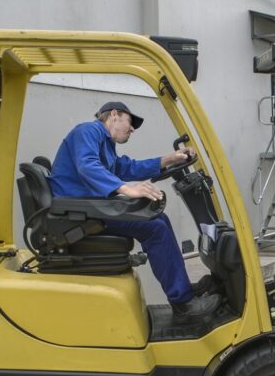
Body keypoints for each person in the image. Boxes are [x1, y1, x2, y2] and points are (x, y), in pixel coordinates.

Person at [48, 101, 220, 323]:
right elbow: (87, 165)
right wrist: (127, 189)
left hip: (90, 207)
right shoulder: (89, 131)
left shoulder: (106, 146)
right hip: (81, 212)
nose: (133, 129)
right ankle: (183, 305)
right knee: (154, 228)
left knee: (159, 218)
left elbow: (128, 167)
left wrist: (169, 159)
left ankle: (183, 289)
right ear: (114, 115)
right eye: (130, 122)